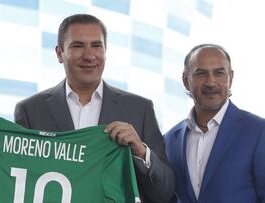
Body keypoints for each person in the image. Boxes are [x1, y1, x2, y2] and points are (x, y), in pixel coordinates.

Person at [14, 14, 174, 203]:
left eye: (97, 45)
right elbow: (19, 184)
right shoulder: (30, 110)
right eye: (78, 45)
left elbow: (166, 192)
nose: (89, 55)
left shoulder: (140, 109)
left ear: (106, 51)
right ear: (59, 53)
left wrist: (140, 152)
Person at [164, 44, 265, 202]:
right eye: (201, 74)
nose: (211, 82)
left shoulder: (258, 132)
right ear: (185, 80)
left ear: (230, 78)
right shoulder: (168, 141)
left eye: (219, 73)